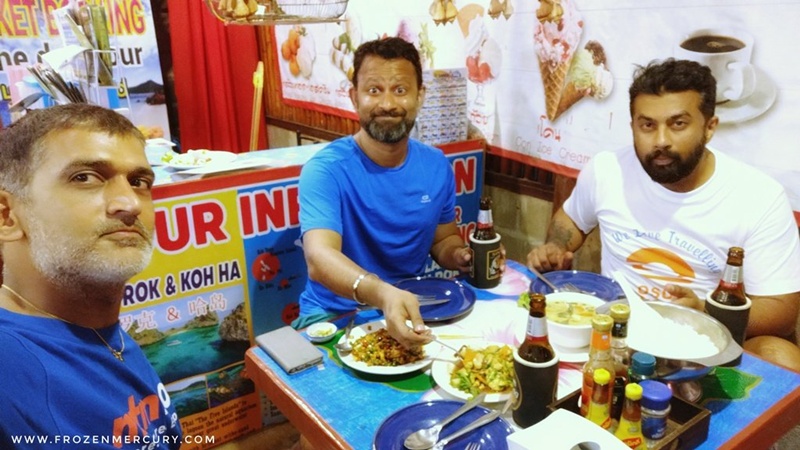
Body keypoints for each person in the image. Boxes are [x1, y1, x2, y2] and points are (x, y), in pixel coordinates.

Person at [527, 59, 800, 370]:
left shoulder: (758, 196)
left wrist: (705, 312)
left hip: (701, 341)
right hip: (613, 332)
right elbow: (570, 222)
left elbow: (781, 309)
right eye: (647, 125)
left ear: (710, 127)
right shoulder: (607, 170)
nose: (660, 141)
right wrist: (556, 247)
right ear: (632, 126)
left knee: (782, 356)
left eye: (678, 124)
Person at [0, 104, 183, 448]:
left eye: (139, 181)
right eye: (85, 177)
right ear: (7, 216)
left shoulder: (91, 325)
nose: (129, 203)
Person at [296, 37, 478, 349]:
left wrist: (461, 256)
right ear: (354, 97)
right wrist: (382, 293)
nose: (388, 104)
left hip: (413, 310)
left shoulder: (436, 166)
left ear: (419, 96)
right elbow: (319, 257)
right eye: (374, 90)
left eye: (400, 90)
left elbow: (443, 239)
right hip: (333, 315)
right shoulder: (325, 170)